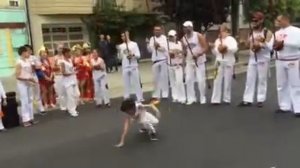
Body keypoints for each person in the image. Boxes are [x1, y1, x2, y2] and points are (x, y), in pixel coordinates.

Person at [238, 12, 273, 108]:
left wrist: (262, 43)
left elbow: (270, 47)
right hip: (252, 58)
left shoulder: (267, 32)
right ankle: (247, 99)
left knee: (262, 79)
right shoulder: (250, 32)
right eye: (253, 20)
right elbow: (246, 44)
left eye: (256, 20)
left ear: (261, 21)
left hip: (263, 58)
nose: (254, 22)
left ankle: (260, 99)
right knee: (249, 78)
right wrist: (243, 42)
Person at [272, 14, 300, 116]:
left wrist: (284, 43)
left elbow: (298, 43)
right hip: (280, 59)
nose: (277, 22)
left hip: (293, 59)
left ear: (285, 20)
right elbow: (272, 45)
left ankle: (298, 108)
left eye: (279, 20)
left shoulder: (296, 31)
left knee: (295, 84)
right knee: (281, 84)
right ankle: (284, 106)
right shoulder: (277, 32)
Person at [181, 21, 209, 105]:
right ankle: (191, 98)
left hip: (199, 61)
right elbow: (184, 50)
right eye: (185, 27)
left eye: (187, 27)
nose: (186, 29)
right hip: (189, 62)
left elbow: (205, 47)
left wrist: (198, 54)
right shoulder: (183, 38)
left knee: (201, 80)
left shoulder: (198, 36)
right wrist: (184, 55)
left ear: (191, 27)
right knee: (189, 80)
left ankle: (202, 97)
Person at [211, 23, 238, 105]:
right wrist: (213, 48)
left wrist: (226, 48)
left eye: (222, 31)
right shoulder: (217, 40)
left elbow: (234, 49)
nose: (221, 33)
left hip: (228, 62)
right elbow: (215, 53)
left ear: (226, 31)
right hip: (218, 62)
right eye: (220, 31)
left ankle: (226, 99)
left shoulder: (231, 39)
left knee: (227, 81)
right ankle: (215, 99)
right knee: (216, 80)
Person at [119, 31, 144, 102]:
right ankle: (126, 97)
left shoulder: (134, 44)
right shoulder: (121, 46)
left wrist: (132, 55)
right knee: (126, 83)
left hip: (133, 66)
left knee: (136, 82)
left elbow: (138, 55)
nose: (123, 37)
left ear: (127, 35)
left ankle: (139, 97)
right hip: (125, 66)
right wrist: (120, 53)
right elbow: (120, 57)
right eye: (121, 36)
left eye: (124, 36)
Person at [15, 46, 38, 127]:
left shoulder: (28, 61)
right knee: (24, 101)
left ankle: (31, 117)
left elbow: (30, 73)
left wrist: (32, 79)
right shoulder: (19, 62)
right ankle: (25, 120)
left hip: (28, 82)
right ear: (23, 53)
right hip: (22, 84)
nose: (29, 53)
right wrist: (28, 78)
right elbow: (17, 76)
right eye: (27, 52)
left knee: (30, 100)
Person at [147, 25, 169, 101]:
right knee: (156, 78)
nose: (157, 31)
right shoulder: (152, 39)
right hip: (155, 60)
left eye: (158, 30)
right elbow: (150, 50)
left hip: (163, 60)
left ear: (161, 31)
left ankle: (165, 93)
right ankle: (156, 94)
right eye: (155, 30)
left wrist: (158, 46)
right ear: (153, 31)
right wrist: (149, 46)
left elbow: (165, 49)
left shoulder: (164, 38)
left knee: (164, 77)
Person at [24, 44, 46, 115]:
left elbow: (39, 65)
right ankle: (30, 110)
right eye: (26, 50)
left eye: (29, 50)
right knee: (28, 95)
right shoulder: (22, 59)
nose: (28, 51)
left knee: (37, 93)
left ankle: (41, 108)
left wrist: (35, 65)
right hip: (26, 78)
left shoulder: (34, 58)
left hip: (34, 76)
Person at [167, 30, 186, 104]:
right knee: (172, 82)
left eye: (172, 36)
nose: (171, 38)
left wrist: (178, 53)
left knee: (179, 82)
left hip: (178, 65)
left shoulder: (179, 44)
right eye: (170, 36)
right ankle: (175, 96)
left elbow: (182, 53)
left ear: (175, 36)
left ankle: (182, 97)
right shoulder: (167, 44)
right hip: (170, 65)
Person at [60, 48, 80, 117]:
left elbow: (72, 69)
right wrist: (72, 73)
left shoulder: (70, 60)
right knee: (70, 96)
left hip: (73, 79)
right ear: (65, 53)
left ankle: (71, 108)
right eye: (68, 53)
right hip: (67, 81)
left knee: (76, 94)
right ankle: (72, 110)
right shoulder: (62, 62)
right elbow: (63, 72)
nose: (70, 54)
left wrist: (74, 70)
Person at [52, 43, 67, 111]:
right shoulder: (55, 58)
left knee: (66, 91)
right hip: (58, 76)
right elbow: (52, 67)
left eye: (62, 48)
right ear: (57, 49)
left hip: (65, 76)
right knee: (60, 91)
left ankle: (68, 105)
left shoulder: (65, 57)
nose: (61, 50)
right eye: (59, 48)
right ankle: (62, 105)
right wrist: (59, 67)